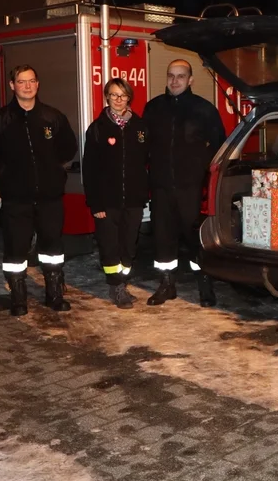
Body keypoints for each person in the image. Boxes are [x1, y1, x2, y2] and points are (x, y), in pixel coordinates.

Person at [0, 65, 78, 317]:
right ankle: (18, 298)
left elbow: (68, 148)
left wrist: (52, 170)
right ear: (12, 86)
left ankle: (54, 295)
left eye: (31, 81)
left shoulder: (52, 118)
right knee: (15, 250)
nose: (27, 86)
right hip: (16, 199)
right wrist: (10, 170)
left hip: (50, 198)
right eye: (21, 82)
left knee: (52, 249)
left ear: (38, 84)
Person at [144, 59, 225, 307]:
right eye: (171, 75)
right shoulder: (153, 108)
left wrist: (201, 170)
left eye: (181, 76)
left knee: (194, 238)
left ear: (190, 80)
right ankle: (166, 285)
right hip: (160, 187)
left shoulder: (204, 109)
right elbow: (143, 144)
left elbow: (220, 145)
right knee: (163, 237)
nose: (175, 80)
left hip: (191, 188)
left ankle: (205, 286)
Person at [82, 78, 149, 309]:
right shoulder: (98, 129)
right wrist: (95, 204)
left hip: (133, 201)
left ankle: (123, 282)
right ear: (107, 98)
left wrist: (144, 194)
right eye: (113, 95)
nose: (118, 99)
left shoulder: (140, 128)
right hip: (106, 203)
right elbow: (89, 169)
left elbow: (147, 163)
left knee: (129, 246)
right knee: (110, 247)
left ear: (129, 97)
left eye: (122, 95)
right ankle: (116, 287)